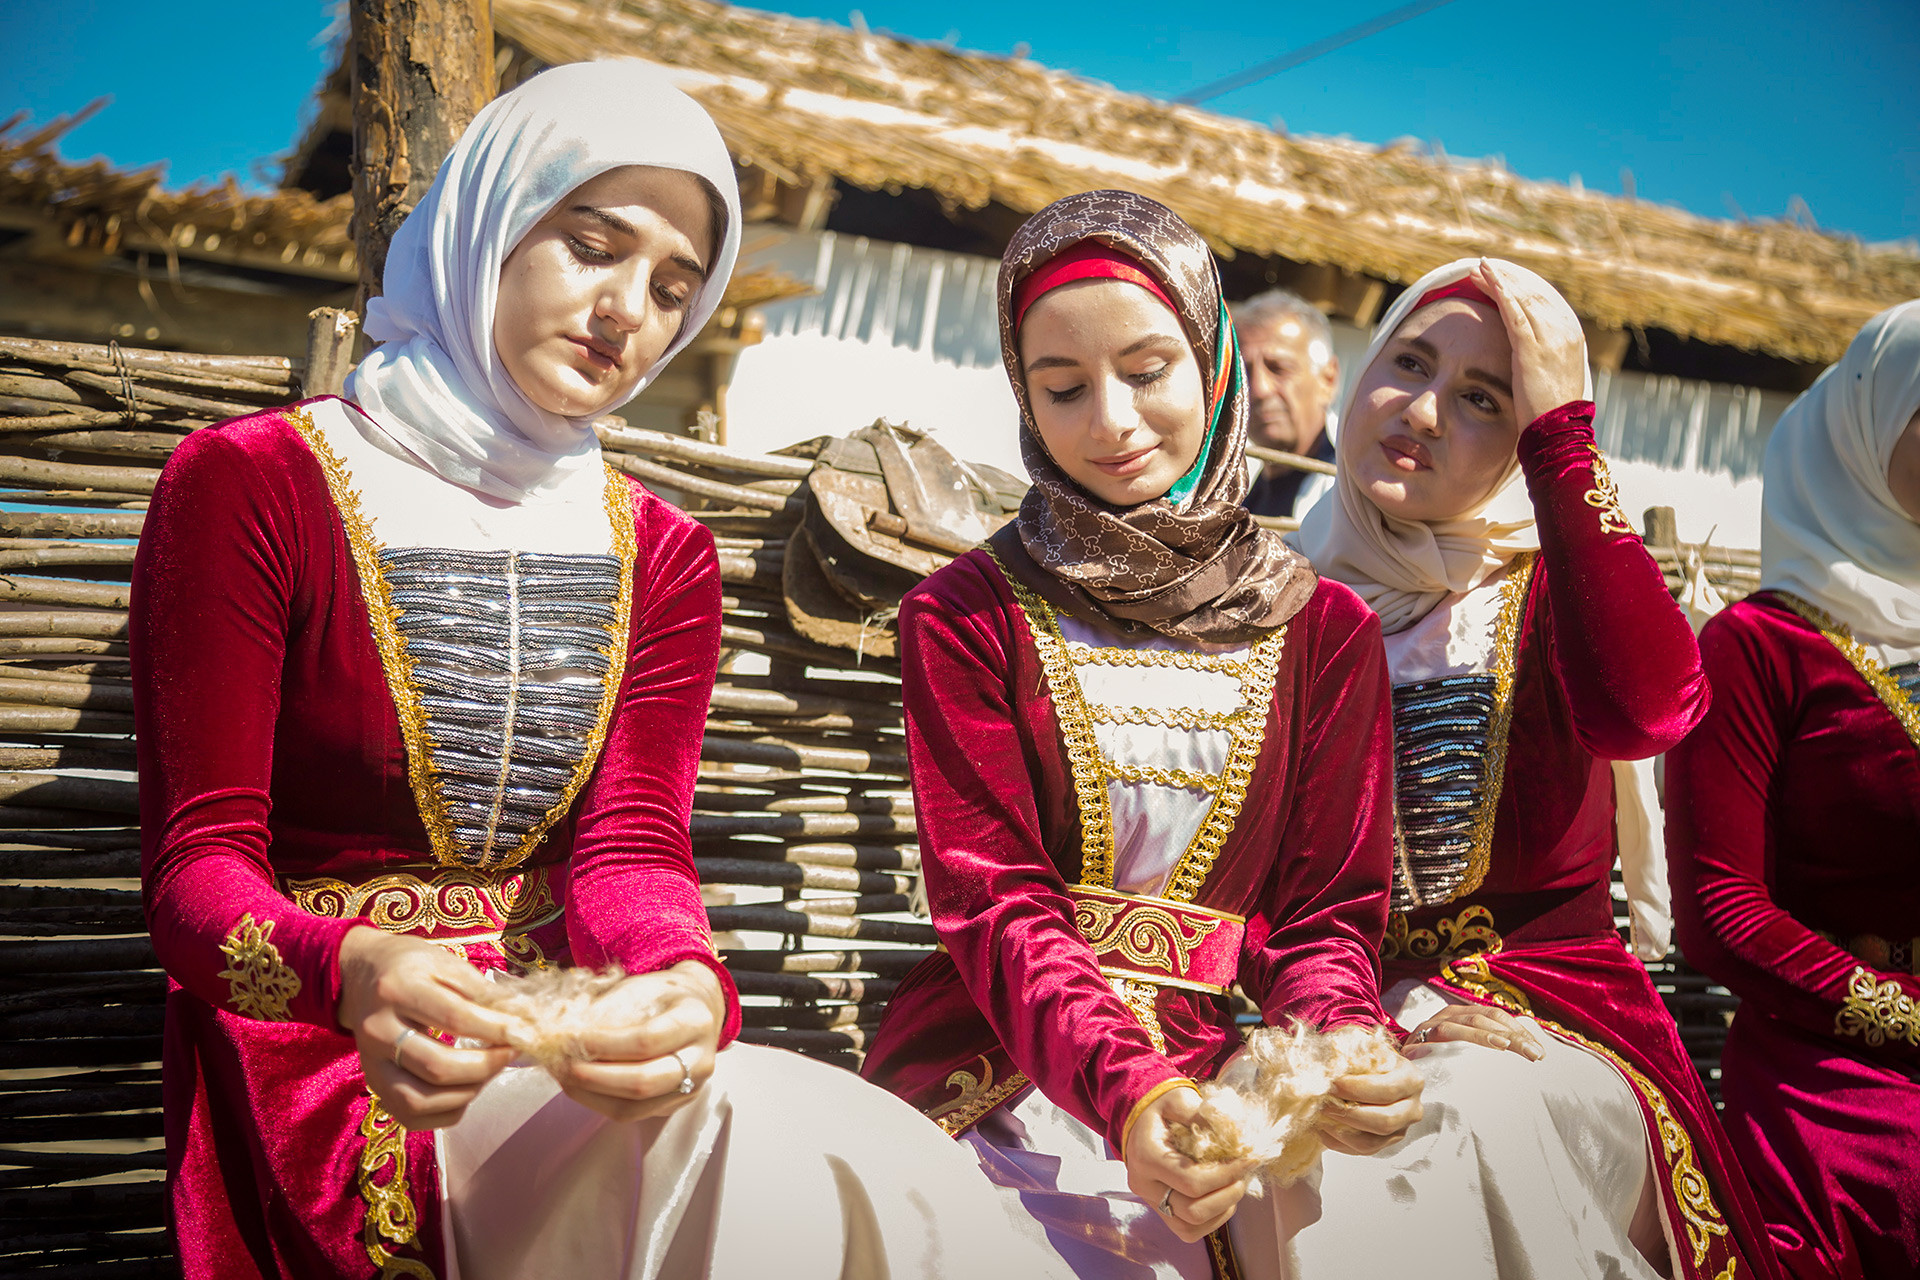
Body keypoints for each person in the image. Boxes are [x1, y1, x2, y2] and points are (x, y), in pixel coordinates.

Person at [132, 59, 1067, 1280]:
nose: (628, 309)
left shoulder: (660, 551)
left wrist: (682, 978)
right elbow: (195, 870)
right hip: (326, 1054)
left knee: (866, 1156)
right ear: (493, 222)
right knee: (746, 1153)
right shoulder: (256, 484)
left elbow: (630, 848)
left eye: (674, 285)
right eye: (591, 244)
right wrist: (354, 967)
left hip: (571, 1038)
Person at [860, 189, 1418, 1278]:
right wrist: (1133, 1091)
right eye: (1063, 387)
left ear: (1216, 369)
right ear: (1023, 396)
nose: (1110, 422)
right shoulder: (966, 613)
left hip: (1234, 1076)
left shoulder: (1324, 628)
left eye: (1148, 371)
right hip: (1001, 1066)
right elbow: (995, 899)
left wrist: (1339, 1034)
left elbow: (1323, 916)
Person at [1285, 257, 1780, 1280]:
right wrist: (1368, 1013)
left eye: (1483, 398)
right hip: (1339, 1028)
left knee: (1459, 1119)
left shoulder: (1559, 587)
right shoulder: (1284, 600)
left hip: (1550, 1033)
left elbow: (1650, 705)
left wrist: (1565, 446)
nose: (1421, 410)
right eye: (1409, 363)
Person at [1666, 298, 1920, 1280]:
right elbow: (1719, 910)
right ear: (1866, 424)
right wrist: (1901, 1012)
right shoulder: (1760, 648)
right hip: (1838, 1082)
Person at [1234, 289, 1339, 520]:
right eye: (1243, 372)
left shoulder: (1355, 491)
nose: (1259, 389)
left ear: (1328, 379)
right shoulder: (1234, 496)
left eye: (1279, 368)